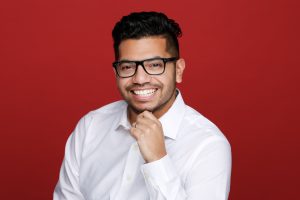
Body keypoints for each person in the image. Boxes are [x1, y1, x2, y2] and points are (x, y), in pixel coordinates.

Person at [54, 11, 232, 200]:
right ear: (116, 73)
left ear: (178, 70)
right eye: (128, 67)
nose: (140, 79)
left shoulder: (208, 145)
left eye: (155, 65)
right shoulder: (90, 127)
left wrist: (158, 160)